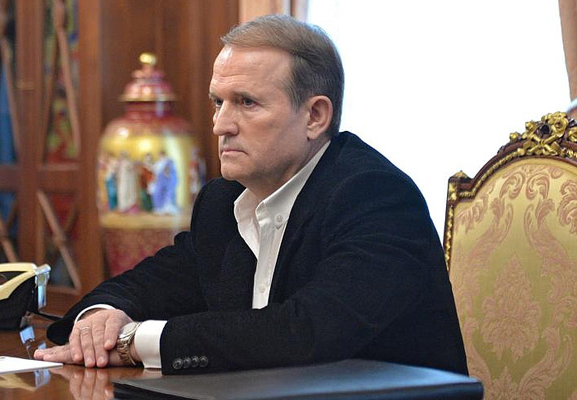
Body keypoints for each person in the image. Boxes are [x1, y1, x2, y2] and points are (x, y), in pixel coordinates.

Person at [34, 14, 468, 376]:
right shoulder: (224, 201)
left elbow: (305, 333)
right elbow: (150, 284)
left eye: (246, 102)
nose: (221, 125)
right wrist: (100, 319)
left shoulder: (375, 197)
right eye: (217, 102)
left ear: (315, 116)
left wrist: (134, 342)